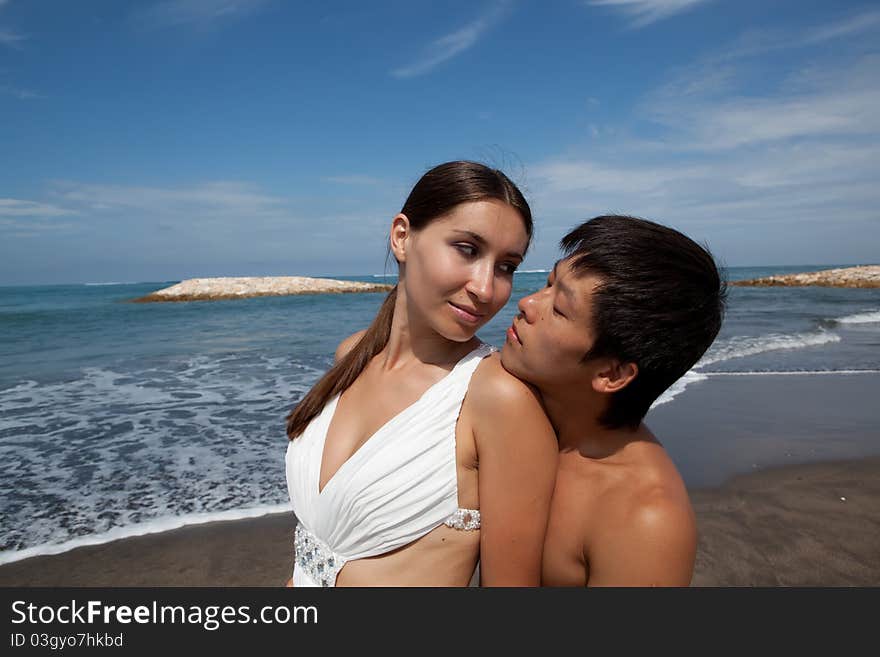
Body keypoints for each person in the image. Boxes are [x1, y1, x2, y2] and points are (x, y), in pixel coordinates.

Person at [284, 161, 558, 587]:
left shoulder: (495, 398)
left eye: (507, 266)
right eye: (468, 249)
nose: (487, 289)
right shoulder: (352, 355)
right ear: (402, 237)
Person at [501, 215, 727, 586]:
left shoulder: (642, 519)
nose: (527, 303)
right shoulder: (516, 403)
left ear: (612, 374)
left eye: (559, 309)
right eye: (548, 283)